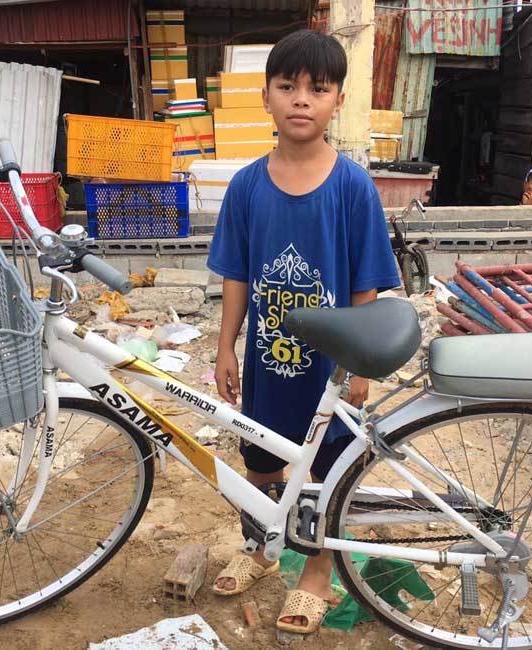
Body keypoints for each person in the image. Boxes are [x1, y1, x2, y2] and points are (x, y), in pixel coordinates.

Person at [206, 29, 401, 635]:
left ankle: (318, 571)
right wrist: (225, 347)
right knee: (261, 460)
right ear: (266, 96)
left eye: (317, 89)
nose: (301, 100)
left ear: (337, 100)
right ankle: (266, 546)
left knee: (327, 471)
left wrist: (361, 362)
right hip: (269, 359)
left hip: (331, 367)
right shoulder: (246, 187)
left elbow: (368, 281)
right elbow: (236, 274)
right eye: (287, 86)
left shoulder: (351, 187)